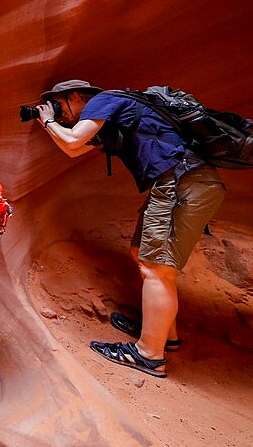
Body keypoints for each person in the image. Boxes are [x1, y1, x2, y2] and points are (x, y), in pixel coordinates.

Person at [36, 79, 226, 378]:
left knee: (156, 268)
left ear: (75, 96)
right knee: (142, 254)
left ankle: (150, 354)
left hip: (181, 182)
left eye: (60, 105)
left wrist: (46, 120)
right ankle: (163, 333)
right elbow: (74, 150)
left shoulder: (104, 100)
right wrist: (51, 123)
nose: (60, 113)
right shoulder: (116, 116)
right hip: (178, 182)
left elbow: (72, 140)